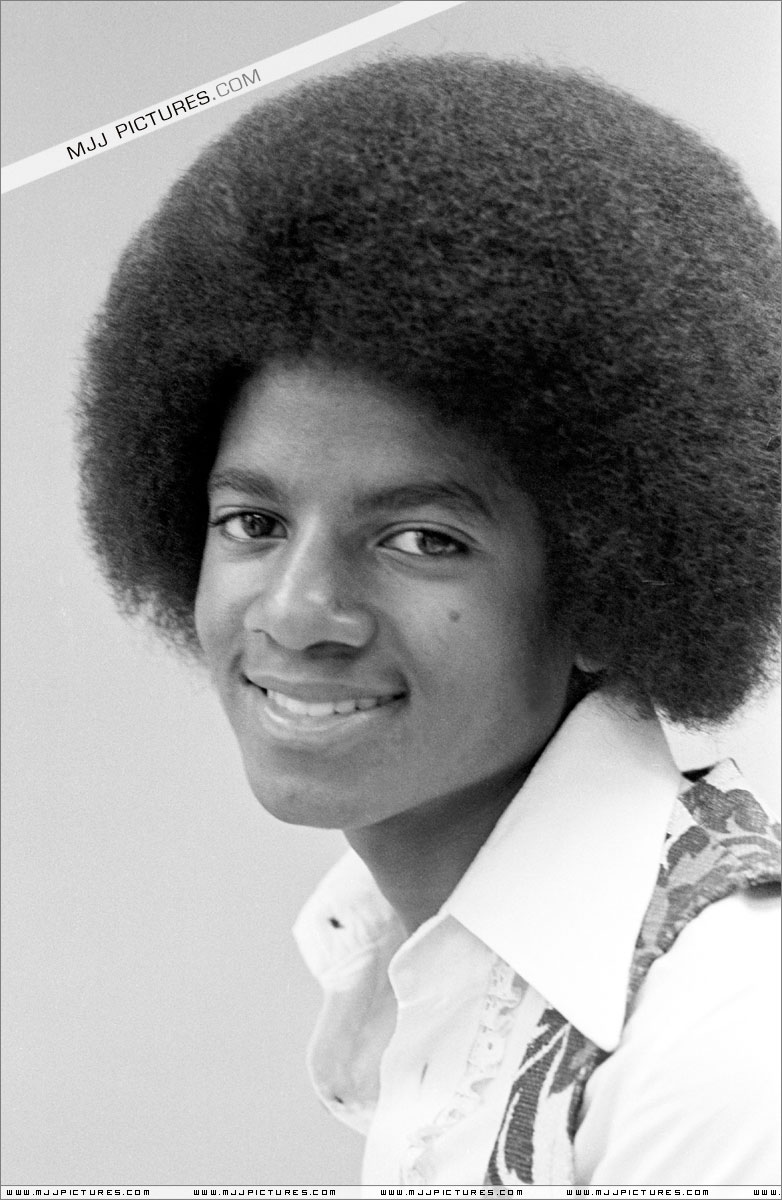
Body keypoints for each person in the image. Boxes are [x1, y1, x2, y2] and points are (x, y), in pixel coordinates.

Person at [75, 55, 781, 1185]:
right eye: (253, 522)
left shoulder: (723, 1044)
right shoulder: (404, 966)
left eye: (420, 540)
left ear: (607, 584)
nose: (297, 611)